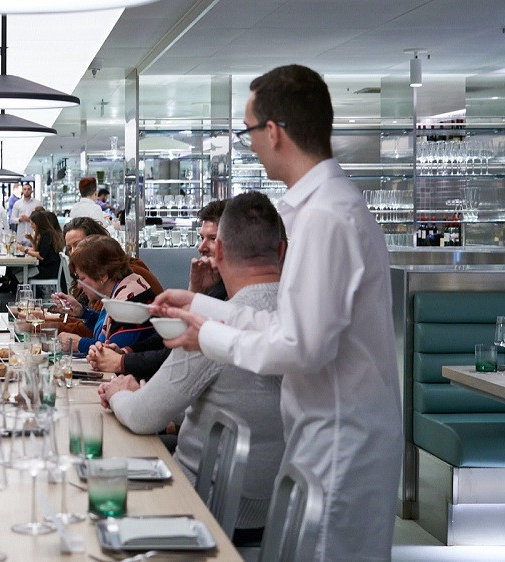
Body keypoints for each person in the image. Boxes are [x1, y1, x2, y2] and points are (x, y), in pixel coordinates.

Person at [153, 64, 401, 562]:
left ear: (273, 132)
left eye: (248, 130)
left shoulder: (326, 215)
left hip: (341, 442)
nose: (249, 144)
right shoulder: (317, 208)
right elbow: (290, 324)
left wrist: (209, 337)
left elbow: (301, 346)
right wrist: (201, 306)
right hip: (323, 434)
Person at [99, 192, 287, 545]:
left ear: (220, 251)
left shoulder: (214, 324)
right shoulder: (300, 319)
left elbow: (142, 416)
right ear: (281, 250)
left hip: (206, 504)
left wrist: (120, 392)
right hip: (276, 510)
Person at [89, 199, 228, 378]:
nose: (201, 247)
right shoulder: (215, 284)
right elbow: (170, 336)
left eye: (212, 239)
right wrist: (126, 351)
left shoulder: (231, 295)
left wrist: (122, 361)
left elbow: (180, 354)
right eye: (201, 238)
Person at [53, 235, 155, 354]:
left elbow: (112, 351)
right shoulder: (124, 289)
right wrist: (82, 312)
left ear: (102, 275)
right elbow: (112, 326)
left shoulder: (130, 301)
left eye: (82, 278)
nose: (79, 286)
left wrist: (78, 343)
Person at [24, 208, 62, 294]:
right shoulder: (46, 233)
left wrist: (25, 250)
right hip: (47, 267)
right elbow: (37, 249)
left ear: (37, 223)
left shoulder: (47, 235)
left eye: (32, 224)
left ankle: (33, 295)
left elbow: (41, 256)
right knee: (20, 272)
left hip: (48, 270)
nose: (31, 226)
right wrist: (31, 239)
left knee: (22, 274)